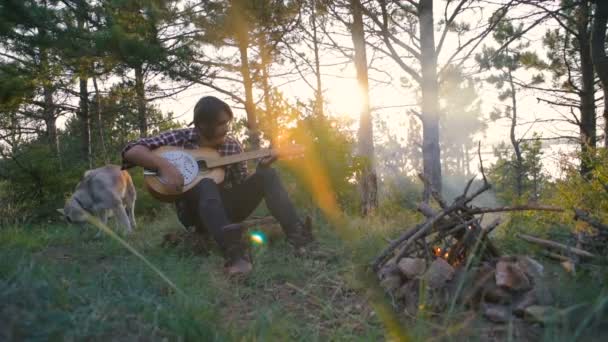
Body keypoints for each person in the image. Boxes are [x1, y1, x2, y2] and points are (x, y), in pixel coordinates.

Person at [121, 96, 314, 276]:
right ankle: (235, 254)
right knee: (206, 183)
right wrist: (164, 165)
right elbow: (131, 150)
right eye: (222, 123)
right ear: (203, 125)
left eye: (227, 123)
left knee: (268, 175)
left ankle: (298, 237)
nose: (227, 128)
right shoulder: (179, 139)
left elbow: (241, 185)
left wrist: (262, 167)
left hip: (227, 209)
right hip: (193, 213)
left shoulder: (232, 146)